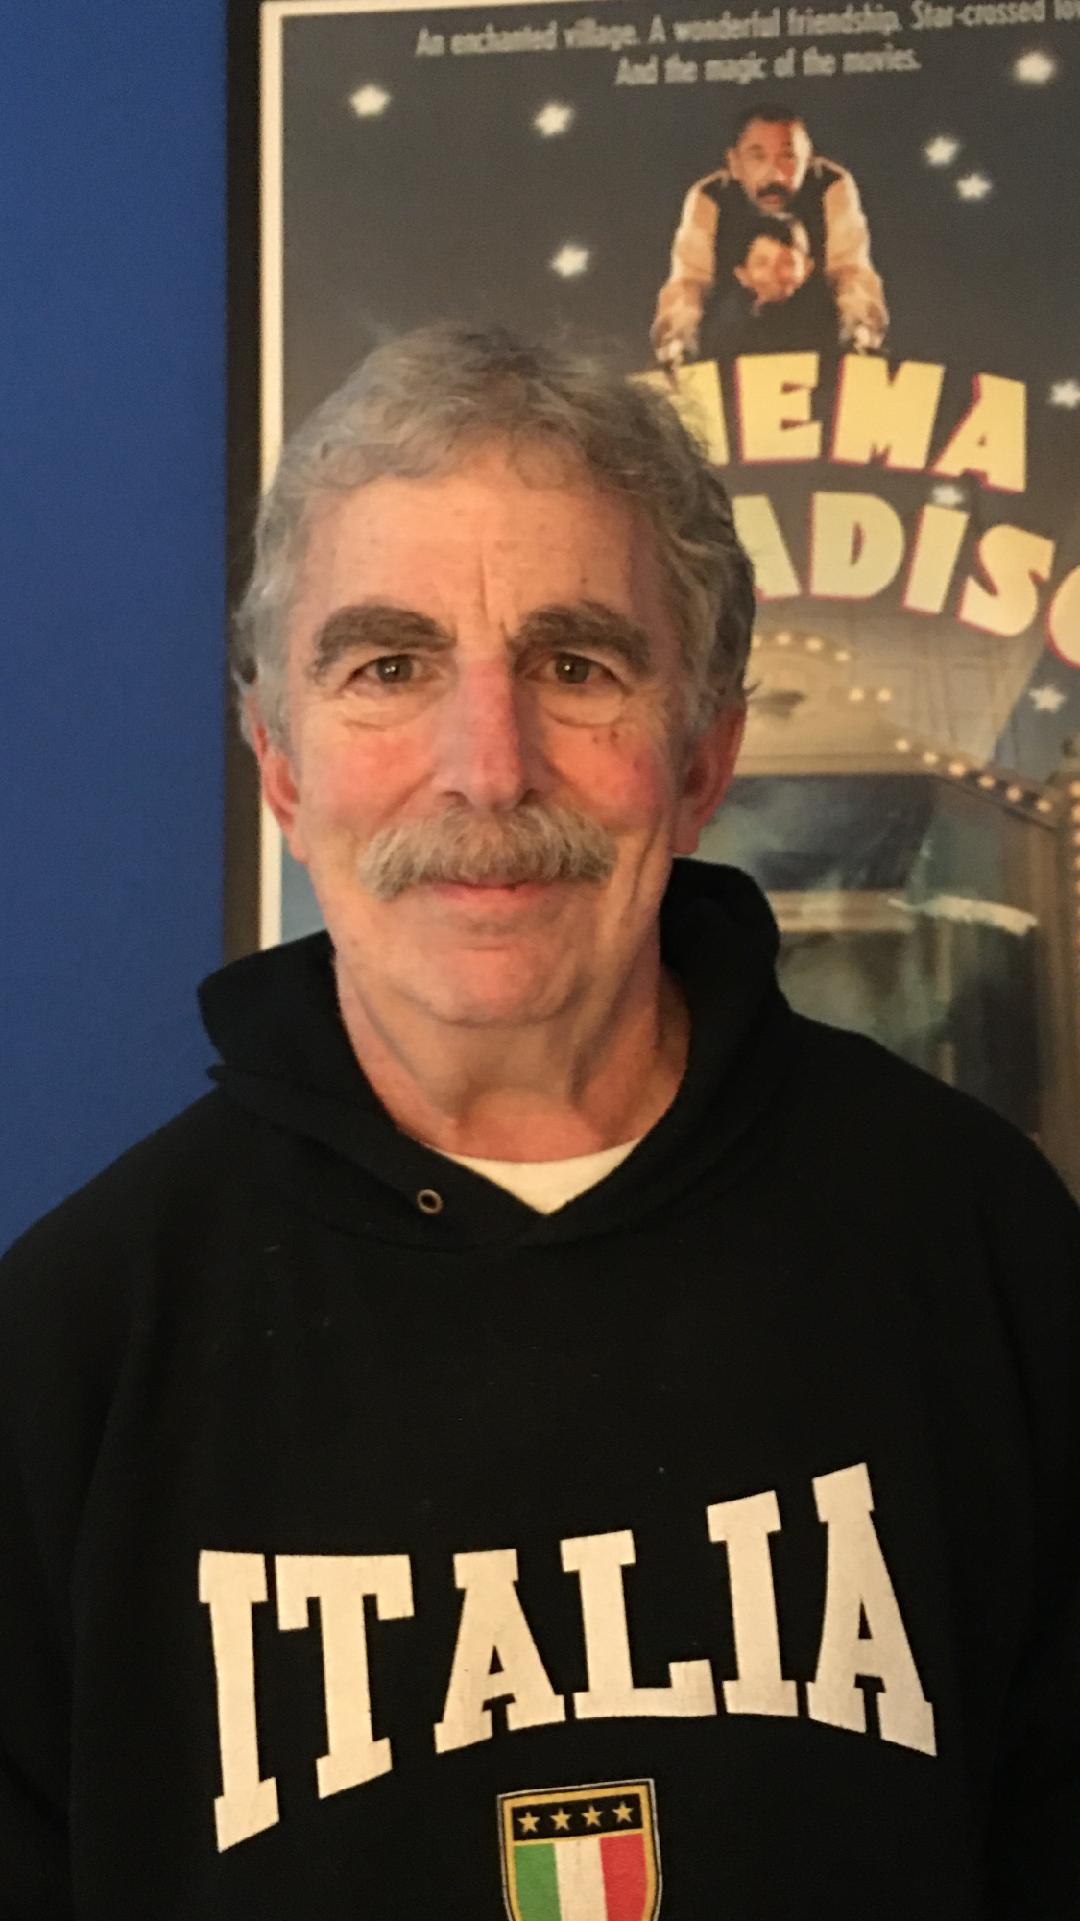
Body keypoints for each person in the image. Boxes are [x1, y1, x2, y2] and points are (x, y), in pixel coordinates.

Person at [1, 324, 1077, 1920]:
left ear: (703, 754)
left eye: (577, 665)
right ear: (281, 766)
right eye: (389, 667)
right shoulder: (74, 1343)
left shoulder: (977, 1244)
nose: (485, 770)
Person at [652, 103, 889, 368]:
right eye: (757, 157)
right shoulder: (710, 197)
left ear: (808, 160)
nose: (774, 173)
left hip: (817, 335)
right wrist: (676, 340)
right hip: (729, 339)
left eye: (788, 157)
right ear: (734, 163)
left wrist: (861, 330)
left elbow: (850, 269)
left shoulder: (831, 186)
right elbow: (689, 281)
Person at [701, 213, 838, 359]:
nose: (776, 273)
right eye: (762, 263)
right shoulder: (725, 333)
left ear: (807, 267)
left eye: (788, 262)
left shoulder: (833, 327)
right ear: (742, 274)